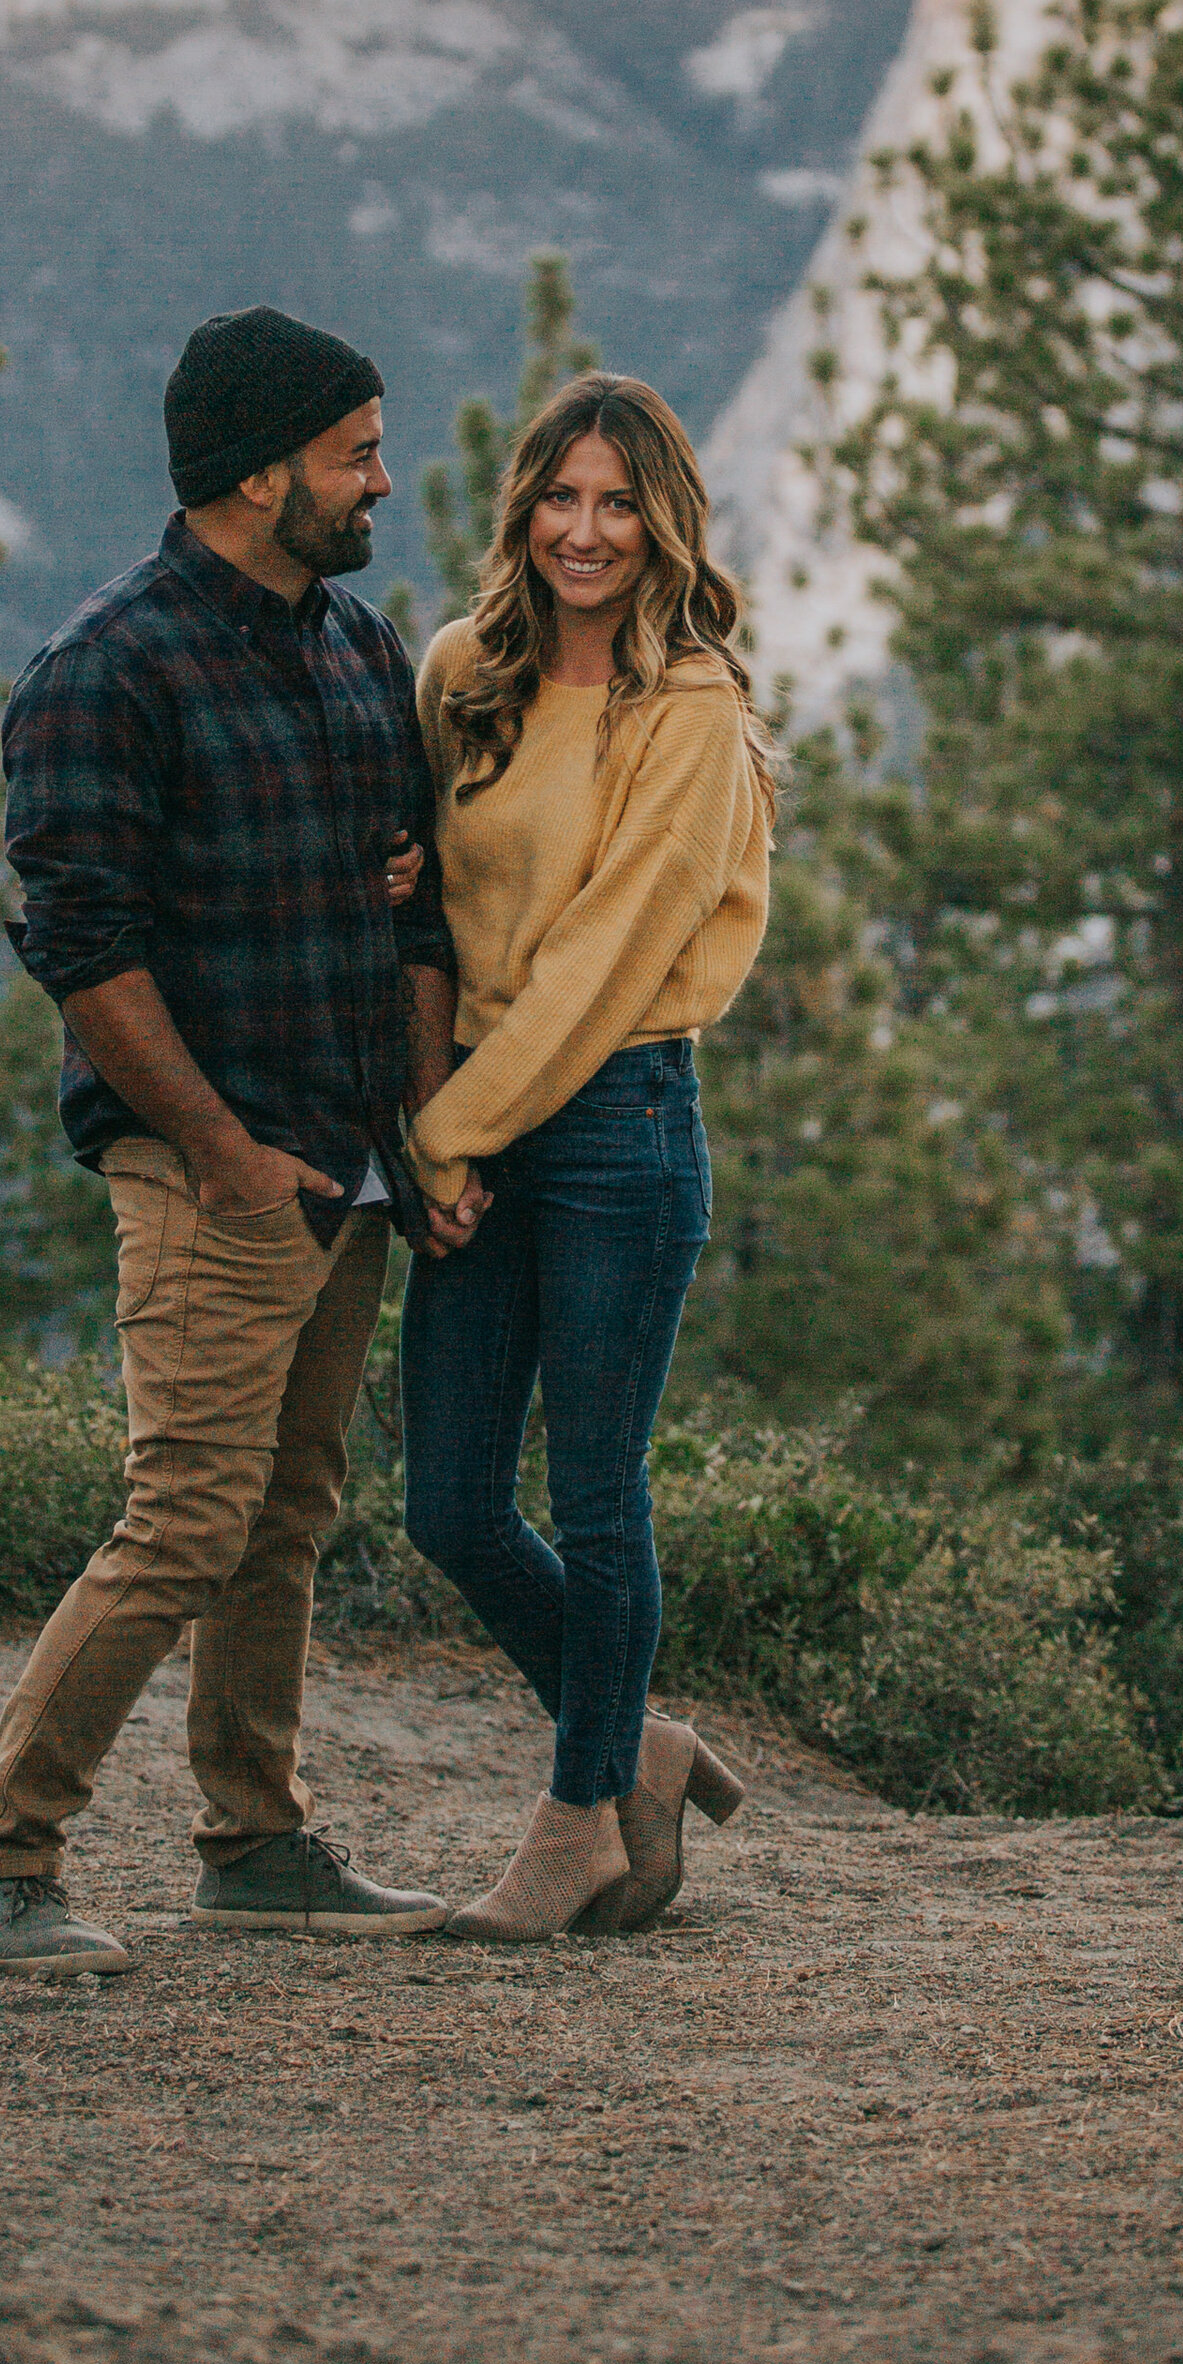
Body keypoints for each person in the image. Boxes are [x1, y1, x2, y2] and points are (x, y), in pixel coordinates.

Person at [0, 305, 478, 1976]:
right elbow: (84, 954)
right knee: (183, 1516)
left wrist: (423, 1128)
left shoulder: (354, 648)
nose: (384, 480)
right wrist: (225, 1150)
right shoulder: (109, 669)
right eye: (354, 451)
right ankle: (0, 1862)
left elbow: (411, 892)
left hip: (349, 1165)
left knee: (286, 1512)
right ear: (260, 473)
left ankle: (256, 1839)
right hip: (213, 1175)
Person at [400, 372, 774, 1941]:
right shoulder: (461, 672)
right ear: (523, 507)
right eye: (563, 496)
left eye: (621, 502)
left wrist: (441, 1134)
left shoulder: (689, 711)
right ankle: (644, 1749)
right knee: (451, 1503)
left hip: (617, 1120)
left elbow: (613, 954)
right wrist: (439, 1115)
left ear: (665, 520)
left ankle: (577, 1817)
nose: (587, 531)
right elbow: (425, 909)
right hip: (475, 1116)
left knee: (601, 1495)